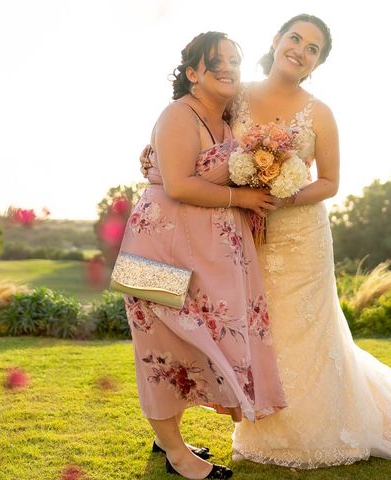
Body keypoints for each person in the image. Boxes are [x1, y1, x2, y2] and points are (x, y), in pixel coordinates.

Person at [229, 13, 391, 469]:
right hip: (247, 233)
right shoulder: (237, 97)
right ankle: (262, 422)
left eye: (313, 49)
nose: (300, 50)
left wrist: (277, 198)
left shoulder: (319, 112)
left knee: (305, 331)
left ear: (317, 63)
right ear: (275, 40)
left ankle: (313, 430)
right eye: (295, 38)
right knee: (260, 330)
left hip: (301, 234)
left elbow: (329, 182)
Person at [119, 32, 286, 479]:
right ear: (193, 73)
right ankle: (177, 457)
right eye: (217, 62)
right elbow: (177, 185)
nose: (229, 67)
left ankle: (166, 438)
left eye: (235, 59)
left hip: (196, 254)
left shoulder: (228, 122)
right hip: (156, 250)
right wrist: (242, 198)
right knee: (161, 347)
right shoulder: (178, 115)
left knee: (193, 344)